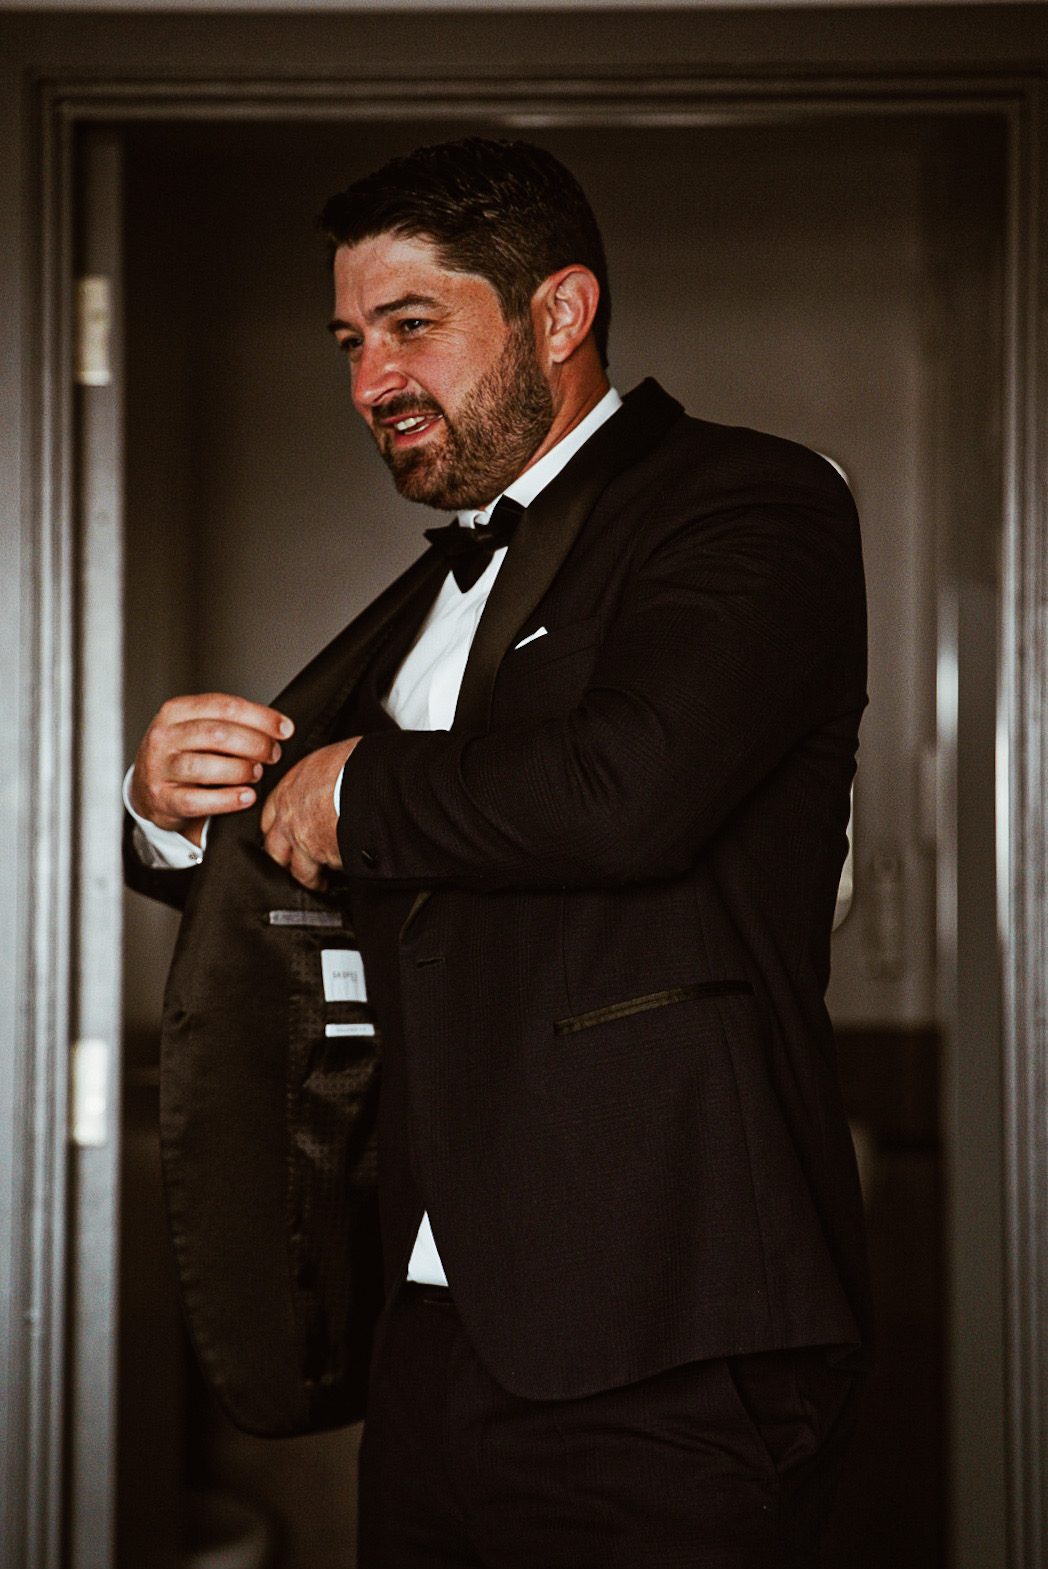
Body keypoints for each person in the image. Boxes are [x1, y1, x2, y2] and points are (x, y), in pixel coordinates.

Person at [124, 137, 871, 1568]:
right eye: (351, 342)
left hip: (671, 1327)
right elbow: (298, 844)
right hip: (433, 1331)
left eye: (411, 325)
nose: (371, 381)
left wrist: (358, 790)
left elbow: (631, 786)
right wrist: (171, 805)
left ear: (560, 312)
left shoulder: (751, 501)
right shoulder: (438, 592)